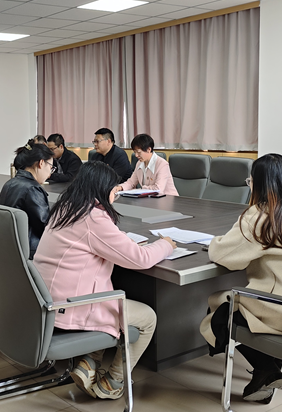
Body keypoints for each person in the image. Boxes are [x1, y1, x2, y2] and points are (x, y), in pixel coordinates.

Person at [199, 153, 282, 404]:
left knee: (220, 311)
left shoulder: (263, 214)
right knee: (235, 305)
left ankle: (266, 369)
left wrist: (216, 241)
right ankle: (266, 372)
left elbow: (223, 255)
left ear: (258, 183)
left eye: (250, 181)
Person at [33, 161, 176, 400]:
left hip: (46, 299)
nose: (115, 194)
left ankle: (89, 363)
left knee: (108, 301)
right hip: (70, 306)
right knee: (147, 318)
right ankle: (113, 381)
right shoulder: (94, 218)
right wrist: (166, 245)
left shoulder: (66, 208)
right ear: (102, 188)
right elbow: (141, 258)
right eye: (114, 189)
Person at [0, 141, 53, 258]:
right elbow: (46, 228)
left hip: (9, 250)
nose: (50, 174)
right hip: (30, 253)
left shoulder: (10, 183)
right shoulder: (33, 189)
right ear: (41, 163)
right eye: (50, 167)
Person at [114, 133, 178, 196]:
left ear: (149, 149)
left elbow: (158, 189)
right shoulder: (139, 163)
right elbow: (131, 182)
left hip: (168, 199)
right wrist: (120, 187)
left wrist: (141, 189)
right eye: (135, 152)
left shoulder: (162, 164)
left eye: (139, 152)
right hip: (150, 199)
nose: (136, 155)